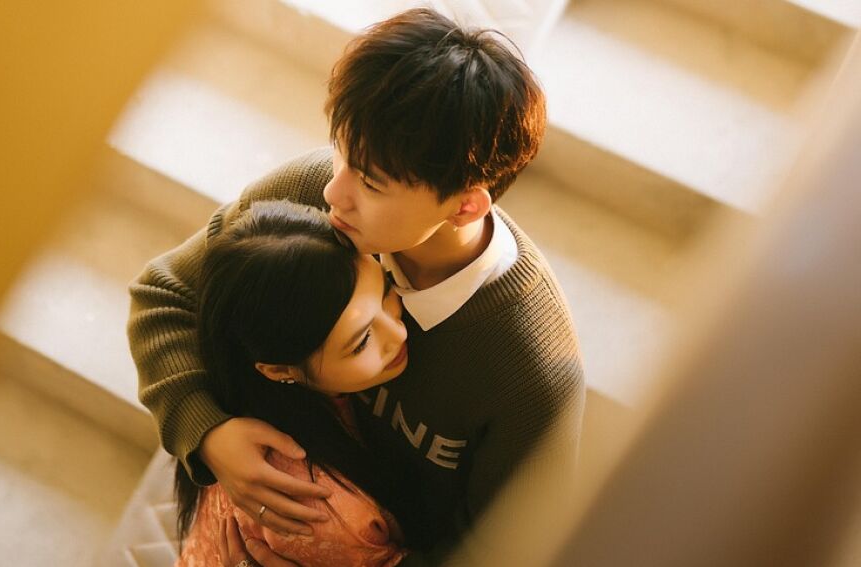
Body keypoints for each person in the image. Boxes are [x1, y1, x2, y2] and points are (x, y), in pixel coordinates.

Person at [128, 7, 585, 565]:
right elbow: (164, 296)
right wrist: (209, 435)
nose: (332, 192)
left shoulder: (531, 373)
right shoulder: (312, 193)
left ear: (466, 206)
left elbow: (511, 549)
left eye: (370, 181)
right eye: (341, 151)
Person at [173, 200, 416, 566]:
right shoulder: (326, 513)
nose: (398, 333)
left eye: (386, 292)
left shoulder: (235, 380)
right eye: (361, 341)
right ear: (279, 370)